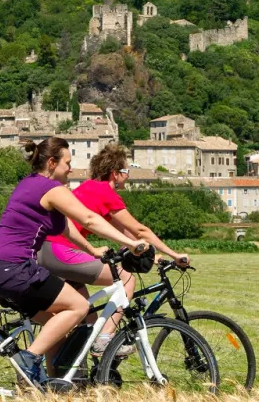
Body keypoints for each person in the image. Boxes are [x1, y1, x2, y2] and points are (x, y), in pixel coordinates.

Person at [0, 137, 149, 386]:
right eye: (67, 163)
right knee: (79, 307)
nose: (70, 168)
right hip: (15, 268)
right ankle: (29, 360)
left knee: (54, 325)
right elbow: (89, 219)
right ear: (51, 162)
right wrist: (131, 243)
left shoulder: (31, 185)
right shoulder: (49, 188)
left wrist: (91, 249)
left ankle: (53, 386)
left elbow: (67, 228)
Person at [38, 143, 189, 356]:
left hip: (51, 252)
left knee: (88, 323)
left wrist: (152, 256)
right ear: (115, 174)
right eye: (126, 171)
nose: (128, 176)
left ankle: (78, 368)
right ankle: (106, 340)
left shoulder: (90, 188)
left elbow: (127, 236)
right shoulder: (104, 192)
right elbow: (140, 229)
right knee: (126, 278)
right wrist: (176, 254)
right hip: (62, 251)